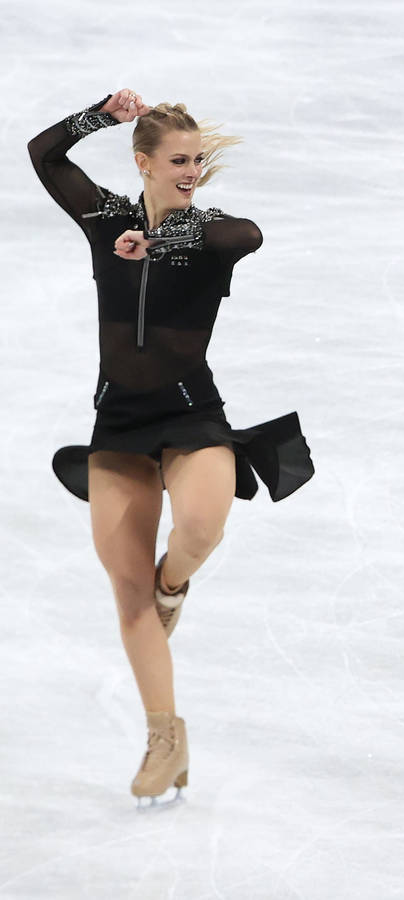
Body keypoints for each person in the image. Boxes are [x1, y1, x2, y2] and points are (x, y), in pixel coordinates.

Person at [28, 89, 314, 804]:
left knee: (198, 528)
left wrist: (159, 241)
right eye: (178, 161)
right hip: (119, 425)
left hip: (193, 416)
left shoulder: (211, 229)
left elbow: (246, 236)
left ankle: (174, 583)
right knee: (126, 596)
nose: (192, 170)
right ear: (143, 163)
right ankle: (165, 736)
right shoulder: (103, 219)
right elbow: (43, 154)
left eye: (197, 160)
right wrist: (99, 113)